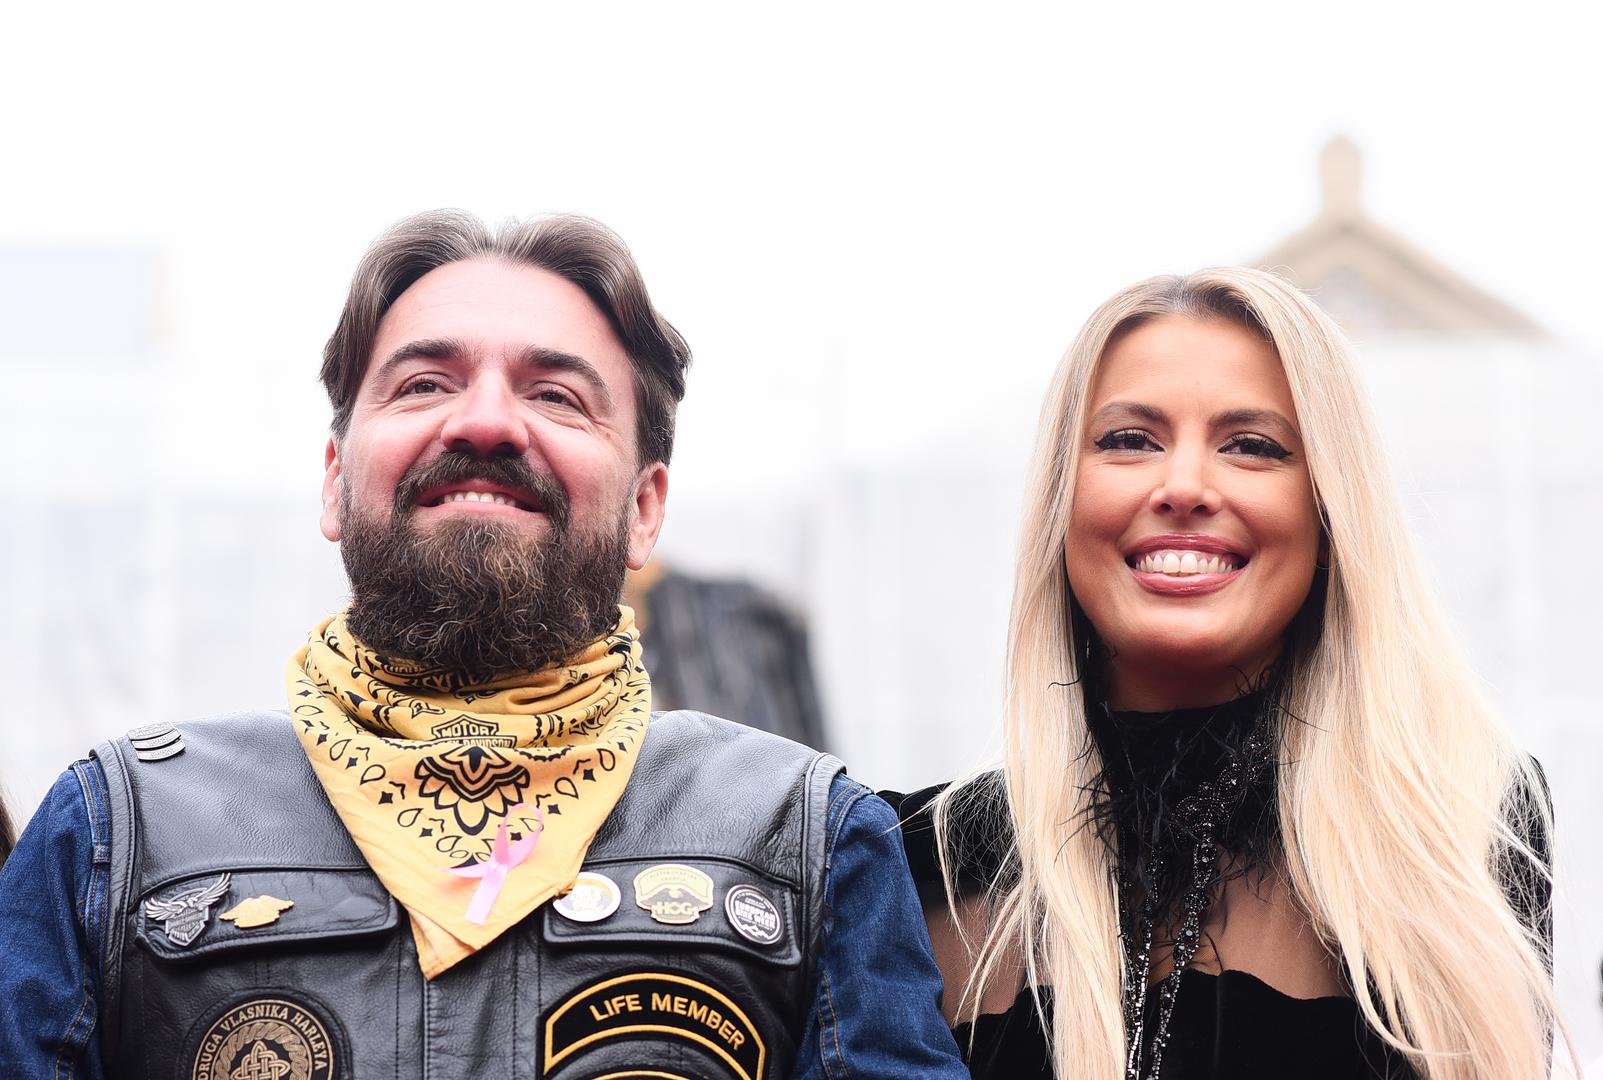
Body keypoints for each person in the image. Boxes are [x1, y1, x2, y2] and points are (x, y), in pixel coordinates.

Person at [0, 211, 967, 1080]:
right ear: (334, 481)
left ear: (644, 509)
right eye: (425, 383)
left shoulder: (807, 837)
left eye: (556, 395)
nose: (488, 421)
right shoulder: (116, 831)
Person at [891, 268, 1567, 1079]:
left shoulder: (1459, 818)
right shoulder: (912, 861)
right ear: (1059, 502)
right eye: (1129, 439)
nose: (1182, 487)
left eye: (1251, 446)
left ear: (1330, 516)